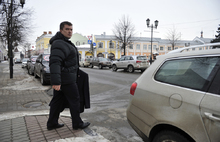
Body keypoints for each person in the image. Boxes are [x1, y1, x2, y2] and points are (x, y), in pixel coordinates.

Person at [47, 21, 90, 130]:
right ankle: (77, 123)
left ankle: (52, 123)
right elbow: (55, 62)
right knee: (75, 100)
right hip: (67, 79)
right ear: (61, 30)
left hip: (64, 78)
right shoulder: (59, 43)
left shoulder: (64, 42)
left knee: (57, 102)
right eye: (67, 29)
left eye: (71, 29)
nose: (70, 31)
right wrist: (56, 81)